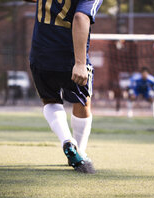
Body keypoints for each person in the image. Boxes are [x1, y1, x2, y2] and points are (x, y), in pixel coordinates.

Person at [29, 0, 102, 174]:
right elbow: (80, 17)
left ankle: (67, 141)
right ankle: (80, 153)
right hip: (69, 56)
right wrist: (79, 63)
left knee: (50, 100)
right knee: (83, 101)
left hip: (40, 54)